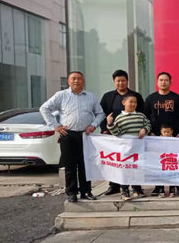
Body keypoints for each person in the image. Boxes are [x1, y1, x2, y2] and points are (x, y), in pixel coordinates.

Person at [40, 71, 105, 203]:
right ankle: (71, 193)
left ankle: (86, 191)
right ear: (69, 81)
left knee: (85, 165)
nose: (76, 81)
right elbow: (44, 108)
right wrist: (56, 126)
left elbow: (100, 113)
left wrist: (93, 125)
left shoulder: (91, 97)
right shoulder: (61, 95)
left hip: (85, 135)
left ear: (83, 81)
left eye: (79, 79)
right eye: (73, 79)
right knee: (70, 166)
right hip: (68, 135)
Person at [99, 69, 145, 196]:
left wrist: (144, 129)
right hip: (114, 134)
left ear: (127, 81)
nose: (121, 83)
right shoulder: (108, 97)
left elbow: (143, 113)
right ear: (114, 82)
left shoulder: (136, 96)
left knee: (134, 161)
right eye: (118, 81)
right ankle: (114, 185)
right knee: (116, 161)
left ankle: (136, 187)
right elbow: (101, 114)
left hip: (133, 135)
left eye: (123, 80)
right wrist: (105, 128)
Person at [145, 72, 179, 196]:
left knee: (173, 161)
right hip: (155, 136)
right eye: (161, 80)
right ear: (157, 82)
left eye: (166, 80)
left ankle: (174, 186)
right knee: (158, 162)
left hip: (173, 137)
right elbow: (145, 117)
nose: (163, 82)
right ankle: (159, 187)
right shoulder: (151, 98)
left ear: (170, 82)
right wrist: (150, 132)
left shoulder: (176, 98)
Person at [106, 94, 151, 200]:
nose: (133, 104)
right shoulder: (120, 117)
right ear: (124, 103)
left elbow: (148, 124)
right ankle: (124, 190)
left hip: (138, 148)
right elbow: (116, 132)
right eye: (131, 102)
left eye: (135, 102)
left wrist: (145, 129)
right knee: (125, 169)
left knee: (137, 168)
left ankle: (137, 189)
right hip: (125, 149)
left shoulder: (141, 116)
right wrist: (110, 124)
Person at [158, 124, 177, 197]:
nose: (166, 134)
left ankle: (172, 189)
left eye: (168, 132)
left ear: (172, 131)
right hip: (161, 160)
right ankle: (161, 189)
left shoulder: (175, 140)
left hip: (171, 160)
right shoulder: (157, 140)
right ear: (161, 132)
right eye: (164, 132)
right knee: (160, 174)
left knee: (172, 174)